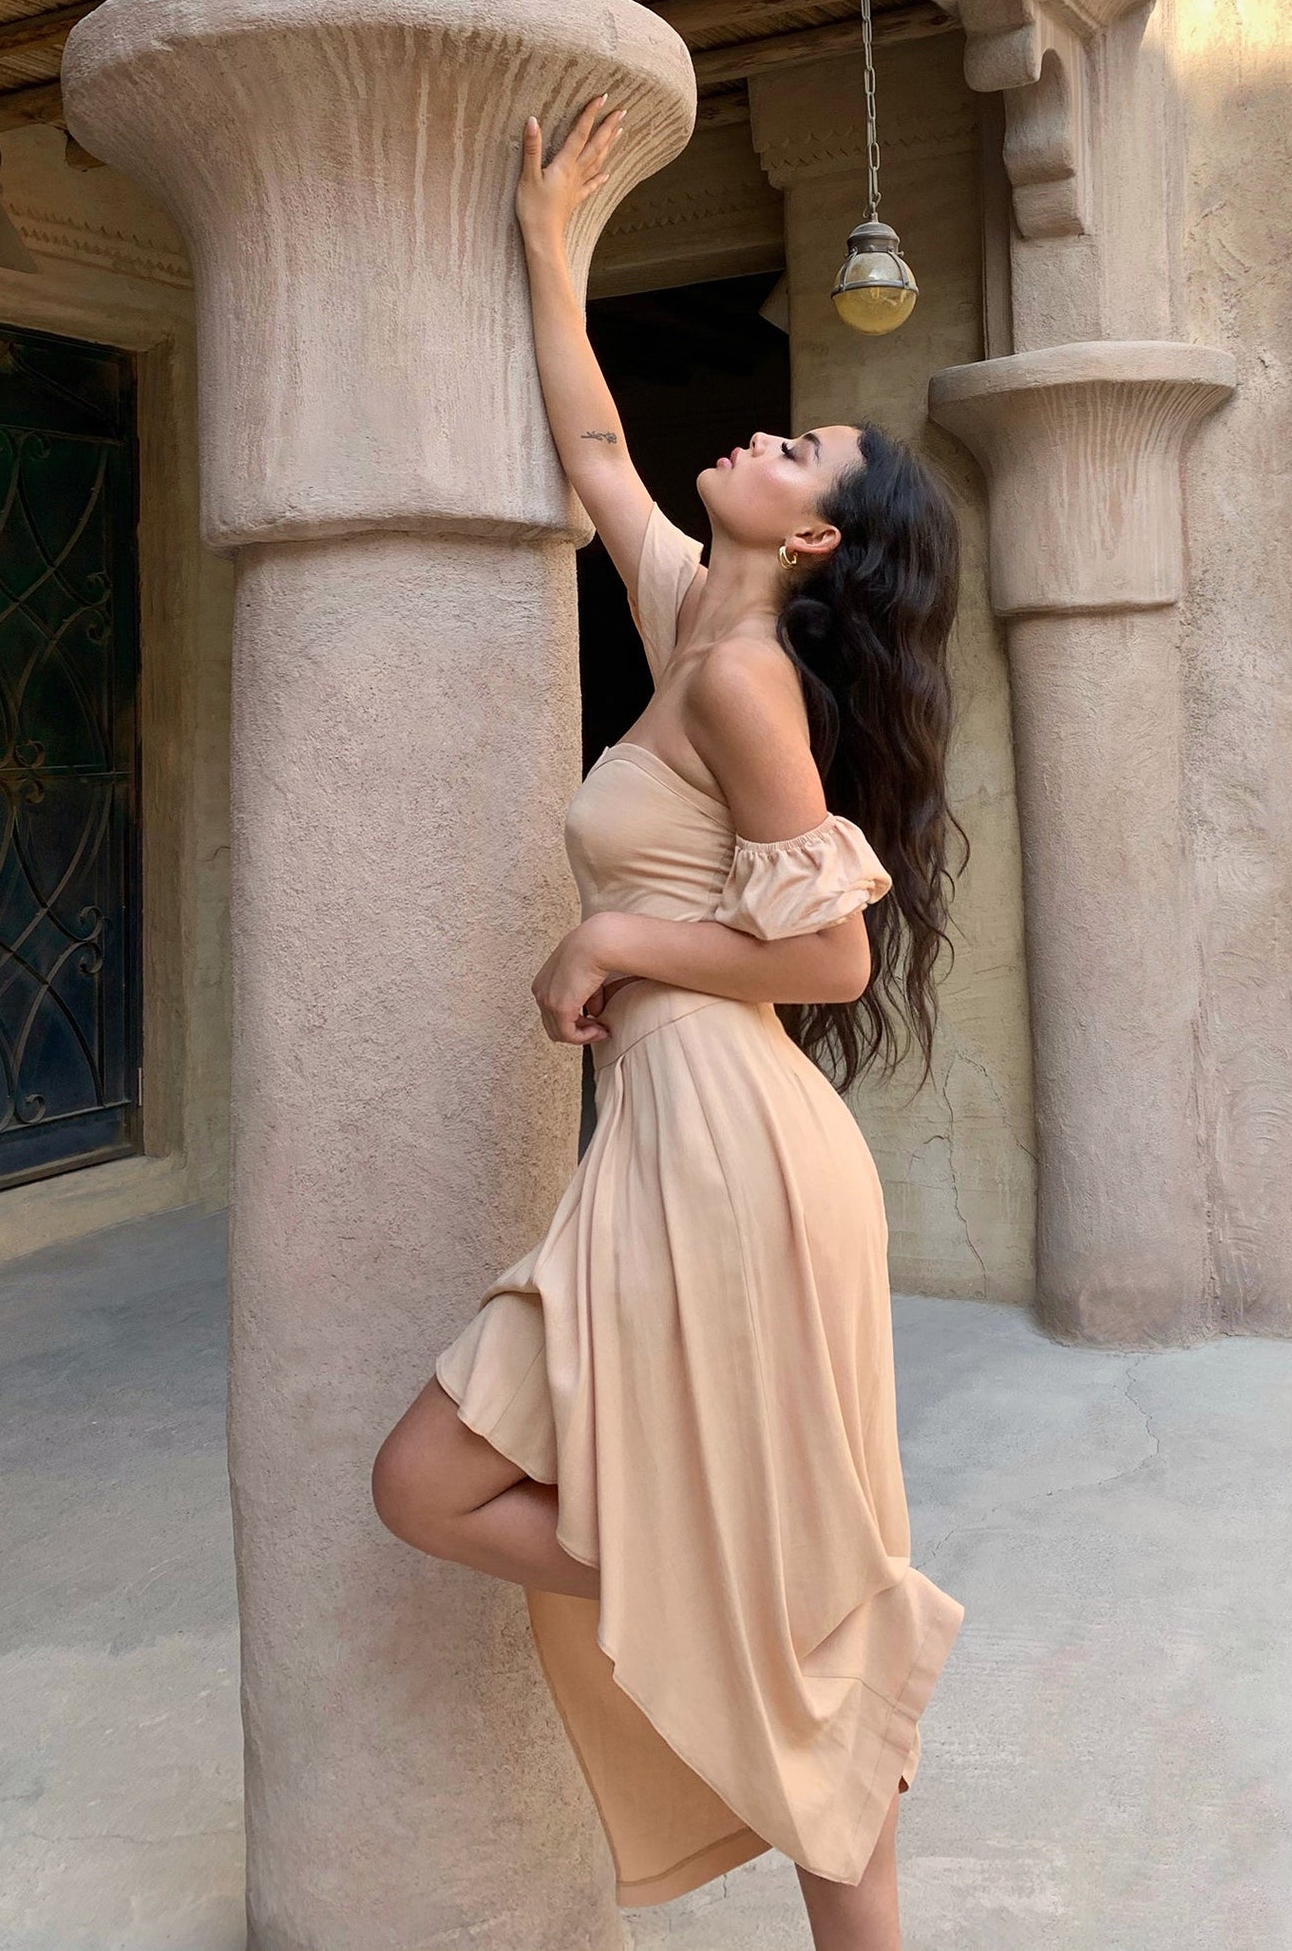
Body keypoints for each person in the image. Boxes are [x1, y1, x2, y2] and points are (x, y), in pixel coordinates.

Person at [373, 95, 967, 1949]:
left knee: (457, 1489)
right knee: (439, 1488)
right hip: (678, 1143)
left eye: (803, 450)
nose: (768, 437)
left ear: (814, 544)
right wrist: (551, 233)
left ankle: (768, 1629)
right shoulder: (684, 613)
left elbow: (831, 966)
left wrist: (618, 934)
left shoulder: (740, 684)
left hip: (732, 1157)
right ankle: (744, 1605)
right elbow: (594, 440)